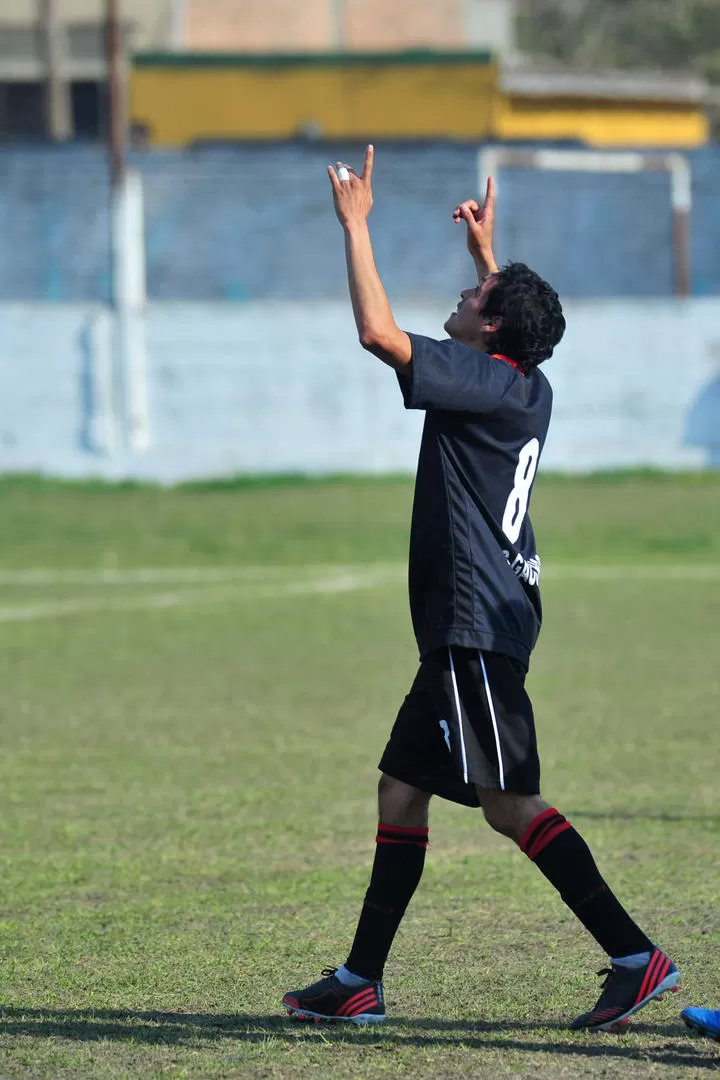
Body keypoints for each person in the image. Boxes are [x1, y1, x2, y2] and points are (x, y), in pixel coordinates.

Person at [281, 146, 680, 1032]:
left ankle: (634, 955)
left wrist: (356, 227)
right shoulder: (526, 384)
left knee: (509, 804)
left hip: (476, 624)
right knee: (401, 789)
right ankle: (360, 979)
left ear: (492, 334)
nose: (460, 302)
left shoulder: (481, 378)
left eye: (472, 301)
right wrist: (486, 260)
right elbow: (512, 327)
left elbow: (378, 335)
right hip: (477, 625)